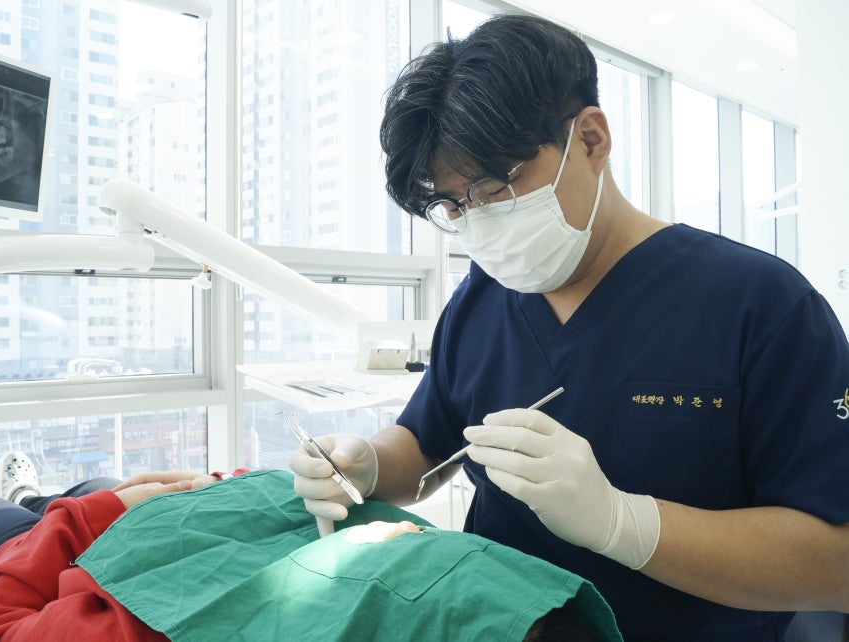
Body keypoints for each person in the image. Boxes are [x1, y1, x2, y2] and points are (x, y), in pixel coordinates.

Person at [289, 12, 849, 641]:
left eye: (494, 188)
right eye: (453, 205)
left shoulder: (760, 305)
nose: (478, 222)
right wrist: (364, 464)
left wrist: (623, 523)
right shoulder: (480, 300)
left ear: (590, 139)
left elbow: (837, 563)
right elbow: (425, 446)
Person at [0, 454, 623, 641]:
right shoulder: (371, 532)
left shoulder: (133, 629)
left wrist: (96, 515)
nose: (393, 529)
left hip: (80, 550)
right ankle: (39, 496)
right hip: (184, 510)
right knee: (95, 487)